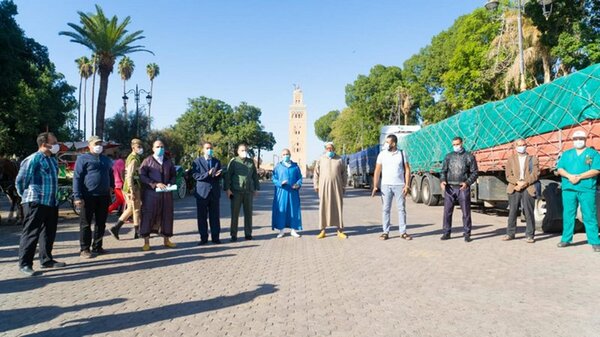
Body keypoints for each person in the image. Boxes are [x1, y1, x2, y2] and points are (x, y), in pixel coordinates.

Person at [16, 132, 65, 276]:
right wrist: (26, 195)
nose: (57, 145)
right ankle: (25, 264)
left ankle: (46, 259)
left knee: (48, 232)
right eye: (54, 142)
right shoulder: (33, 159)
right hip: (36, 201)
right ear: (44, 144)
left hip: (51, 201)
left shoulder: (52, 160)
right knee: (31, 233)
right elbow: (21, 181)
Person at [555, 130, 600, 252]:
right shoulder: (566, 154)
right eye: (576, 139)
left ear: (585, 140)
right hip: (569, 188)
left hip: (586, 189)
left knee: (589, 215)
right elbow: (560, 168)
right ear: (572, 140)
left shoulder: (593, 154)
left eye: (581, 138)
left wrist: (579, 177)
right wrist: (569, 176)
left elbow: (596, 170)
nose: (578, 141)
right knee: (568, 214)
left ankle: (595, 241)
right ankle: (566, 239)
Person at [74, 135, 114, 258]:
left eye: (100, 144)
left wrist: (111, 186)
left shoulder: (106, 160)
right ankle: (84, 249)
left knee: (101, 223)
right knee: (86, 223)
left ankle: (97, 246)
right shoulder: (82, 159)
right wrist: (77, 196)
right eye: (96, 144)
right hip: (88, 196)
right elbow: (77, 177)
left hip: (103, 196)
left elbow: (110, 174)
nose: (99, 146)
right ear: (89, 146)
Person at [371, 134, 412, 241]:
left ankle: (403, 232)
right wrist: (375, 186)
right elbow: (377, 170)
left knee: (401, 209)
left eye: (387, 142)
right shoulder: (382, 154)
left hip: (399, 185)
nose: (386, 144)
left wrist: (407, 185)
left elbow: (407, 169)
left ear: (393, 143)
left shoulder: (402, 153)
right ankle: (385, 232)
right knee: (385, 209)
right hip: (386, 186)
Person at [139, 140, 177, 251]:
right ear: (153, 148)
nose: (160, 148)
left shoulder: (168, 161)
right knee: (148, 216)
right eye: (157, 146)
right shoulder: (147, 161)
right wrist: (155, 184)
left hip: (166, 194)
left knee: (167, 216)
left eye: (162, 146)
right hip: (151, 195)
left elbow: (174, 175)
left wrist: (170, 182)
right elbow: (142, 176)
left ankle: (167, 240)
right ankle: (146, 242)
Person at [440, 136, 478, 242]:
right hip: (450, 188)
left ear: (462, 143)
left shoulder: (469, 156)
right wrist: (442, 180)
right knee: (447, 212)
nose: (456, 146)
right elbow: (443, 171)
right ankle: (446, 232)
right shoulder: (448, 157)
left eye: (457, 144)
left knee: (466, 212)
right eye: (454, 144)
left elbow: (475, 172)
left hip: (462, 188)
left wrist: (467, 182)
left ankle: (467, 233)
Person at [503, 138, 539, 243]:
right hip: (514, 187)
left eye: (523, 145)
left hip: (528, 187)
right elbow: (508, 175)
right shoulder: (511, 159)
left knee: (528, 212)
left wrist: (525, 183)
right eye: (519, 145)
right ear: (515, 147)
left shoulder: (533, 159)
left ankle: (530, 235)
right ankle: (510, 233)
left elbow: (535, 174)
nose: (521, 147)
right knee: (512, 211)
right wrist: (518, 183)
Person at [109, 139, 144, 240]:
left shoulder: (134, 157)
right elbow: (129, 175)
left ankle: (117, 228)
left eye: (141, 146)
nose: (140, 149)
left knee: (131, 209)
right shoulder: (133, 159)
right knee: (136, 209)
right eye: (138, 147)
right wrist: (131, 190)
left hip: (131, 187)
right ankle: (136, 232)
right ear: (133, 147)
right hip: (133, 187)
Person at [225, 143, 260, 241]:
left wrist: (256, 188)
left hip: (248, 192)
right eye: (242, 150)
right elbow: (228, 176)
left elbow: (255, 176)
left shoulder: (250, 162)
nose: (244, 152)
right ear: (238, 151)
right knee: (235, 214)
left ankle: (248, 233)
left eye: (245, 150)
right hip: (236, 191)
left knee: (248, 214)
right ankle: (233, 234)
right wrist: (227, 189)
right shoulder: (233, 162)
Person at [314, 142, 348, 239]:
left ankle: (339, 230)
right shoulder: (321, 159)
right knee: (323, 208)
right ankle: (322, 230)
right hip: (323, 188)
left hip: (337, 187)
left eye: (331, 148)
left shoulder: (339, 159)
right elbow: (316, 173)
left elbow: (344, 173)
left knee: (338, 207)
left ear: (334, 149)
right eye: (328, 148)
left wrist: (344, 186)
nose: (329, 150)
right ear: (325, 149)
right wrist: (316, 185)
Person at [192, 141, 223, 245]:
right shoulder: (197, 162)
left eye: (211, 148)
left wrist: (218, 174)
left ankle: (216, 238)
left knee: (215, 217)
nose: (209, 150)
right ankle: (203, 238)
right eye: (207, 148)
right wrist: (207, 174)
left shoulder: (216, 161)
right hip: (202, 193)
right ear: (203, 150)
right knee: (202, 217)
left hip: (214, 192)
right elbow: (196, 176)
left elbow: (219, 177)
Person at [271, 148, 303, 238]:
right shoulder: (278, 167)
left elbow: (300, 178)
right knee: (282, 210)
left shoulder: (295, 167)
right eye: (284, 154)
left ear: (290, 155)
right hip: (282, 192)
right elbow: (273, 178)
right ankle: (281, 230)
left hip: (293, 192)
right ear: (282, 156)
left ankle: (293, 230)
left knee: (293, 210)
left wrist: (298, 184)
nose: (286, 156)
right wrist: (280, 183)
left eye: (287, 154)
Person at [107, 150, 126, 214]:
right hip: (120, 183)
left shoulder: (117, 162)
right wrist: (125, 182)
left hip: (116, 183)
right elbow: (122, 173)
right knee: (123, 200)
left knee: (120, 200)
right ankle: (123, 214)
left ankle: (109, 210)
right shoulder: (121, 162)